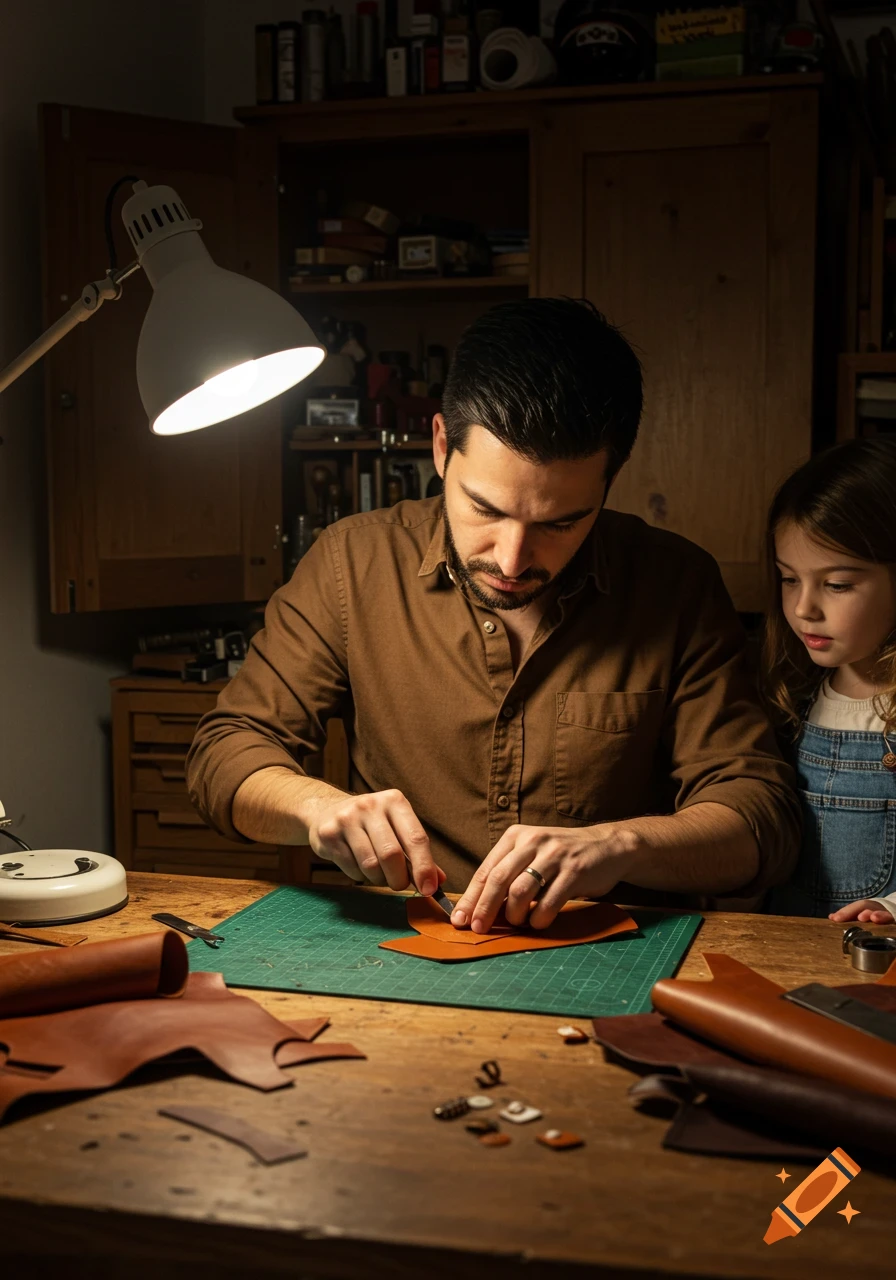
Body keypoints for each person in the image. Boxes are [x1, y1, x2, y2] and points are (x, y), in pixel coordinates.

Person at [187, 297, 799, 934]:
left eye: (560, 523)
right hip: (408, 943)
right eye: (485, 508)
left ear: (608, 485)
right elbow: (223, 755)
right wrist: (316, 807)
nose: (512, 558)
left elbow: (762, 817)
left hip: (609, 951)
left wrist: (618, 846)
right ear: (441, 447)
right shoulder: (351, 564)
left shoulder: (675, 584)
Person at [763, 437, 896, 922]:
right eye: (788, 578)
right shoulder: (789, 693)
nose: (804, 609)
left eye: (837, 584)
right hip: (782, 957)